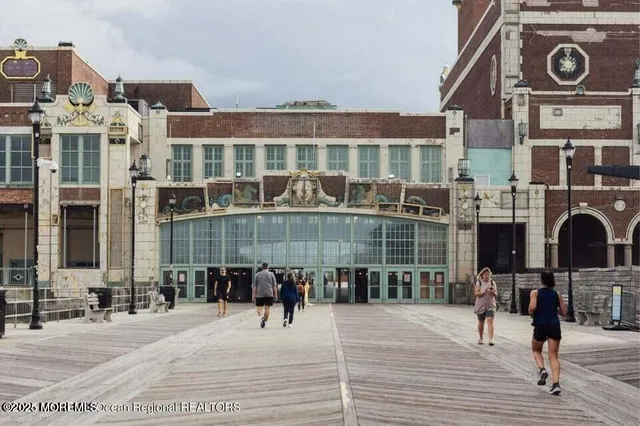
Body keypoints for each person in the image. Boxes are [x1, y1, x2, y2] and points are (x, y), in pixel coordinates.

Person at [529, 271, 567, 396]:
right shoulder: (557, 294)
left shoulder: (535, 293)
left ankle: (542, 369)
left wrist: (531, 311)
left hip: (541, 324)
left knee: (536, 350)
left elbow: (532, 308)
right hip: (554, 325)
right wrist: (553, 308)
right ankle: (556, 384)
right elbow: (564, 312)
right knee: (553, 355)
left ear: (542, 280)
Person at [474, 267, 498, 346]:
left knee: (490, 320)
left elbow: (496, 294)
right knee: (481, 322)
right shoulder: (479, 283)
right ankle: (481, 338)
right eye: (485, 275)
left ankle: (491, 339)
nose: (487, 276)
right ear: (482, 275)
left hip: (490, 305)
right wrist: (483, 292)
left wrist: (492, 292)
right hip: (480, 306)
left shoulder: (492, 283)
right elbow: (476, 294)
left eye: (488, 274)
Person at [252, 262, 278, 328]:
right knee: (267, 308)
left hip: (259, 293)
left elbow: (255, 286)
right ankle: (265, 322)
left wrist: (253, 294)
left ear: (262, 267)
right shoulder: (271, 274)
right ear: (268, 267)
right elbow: (274, 285)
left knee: (258, 308)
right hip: (269, 293)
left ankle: (261, 318)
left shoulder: (257, 275)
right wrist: (276, 294)